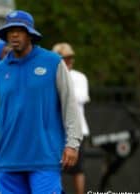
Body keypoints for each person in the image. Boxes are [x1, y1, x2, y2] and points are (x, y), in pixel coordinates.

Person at [0, 10, 83, 193]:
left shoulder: (53, 63)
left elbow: (70, 106)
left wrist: (72, 144)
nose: (14, 34)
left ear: (30, 34)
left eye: (19, 30)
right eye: (10, 30)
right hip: (8, 162)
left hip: (44, 160)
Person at [53, 43, 90, 194]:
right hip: (55, 132)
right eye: (65, 58)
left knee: (78, 170)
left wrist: (63, 87)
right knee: (53, 170)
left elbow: (79, 98)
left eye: (70, 58)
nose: (69, 61)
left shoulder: (79, 77)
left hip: (77, 131)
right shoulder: (50, 76)